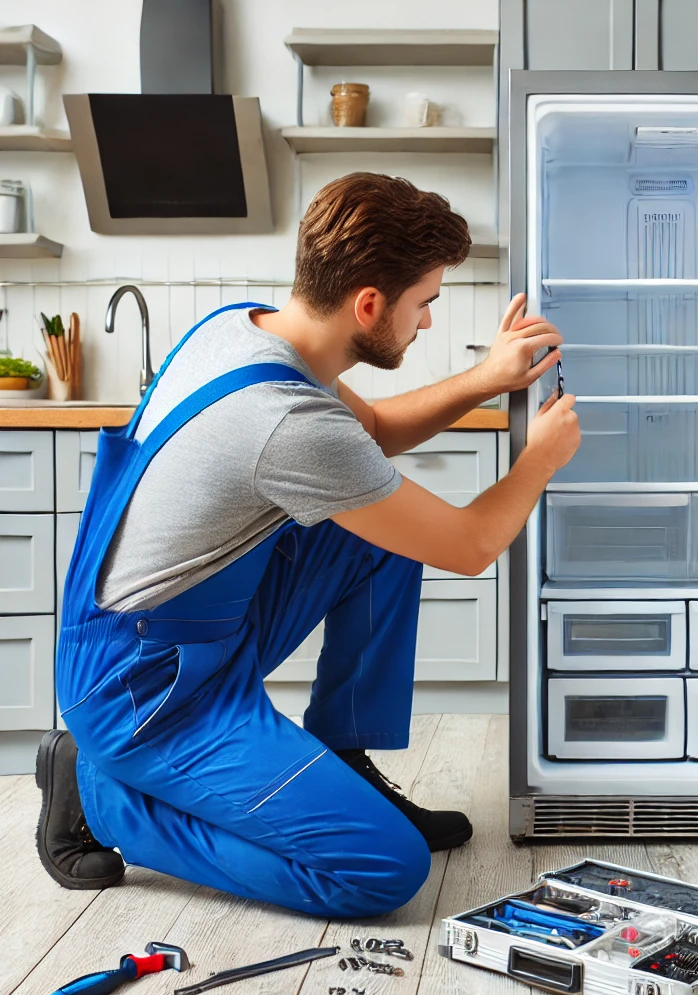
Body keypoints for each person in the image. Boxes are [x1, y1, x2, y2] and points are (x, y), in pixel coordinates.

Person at [35, 172, 580, 918]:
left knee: (378, 539)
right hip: (146, 692)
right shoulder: (284, 420)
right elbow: (469, 544)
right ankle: (101, 798)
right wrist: (539, 461)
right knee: (384, 870)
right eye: (424, 303)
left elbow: (375, 436)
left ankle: (343, 756)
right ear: (368, 305)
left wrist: (486, 377)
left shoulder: (243, 325)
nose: (425, 323)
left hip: (197, 631)